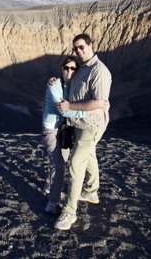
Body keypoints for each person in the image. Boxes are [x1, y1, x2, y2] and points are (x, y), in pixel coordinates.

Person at [54, 33, 112, 231]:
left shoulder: (99, 71)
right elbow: (72, 86)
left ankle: (69, 212)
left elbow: (99, 102)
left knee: (75, 165)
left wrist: (70, 106)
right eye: (76, 48)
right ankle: (91, 192)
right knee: (89, 157)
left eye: (82, 46)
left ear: (91, 45)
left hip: (91, 125)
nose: (79, 51)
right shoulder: (81, 68)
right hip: (78, 123)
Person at [41, 56, 108, 215]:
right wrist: (92, 110)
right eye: (66, 68)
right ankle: (53, 201)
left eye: (73, 68)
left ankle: (50, 185)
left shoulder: (75, 85)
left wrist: (101, 104)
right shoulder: (55, 86)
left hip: (66, 128)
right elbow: (63, 109)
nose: (69, 71)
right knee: (58, 163)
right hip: (52, 129)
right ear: (61, 69)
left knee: (61, 161)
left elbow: (91, 98)